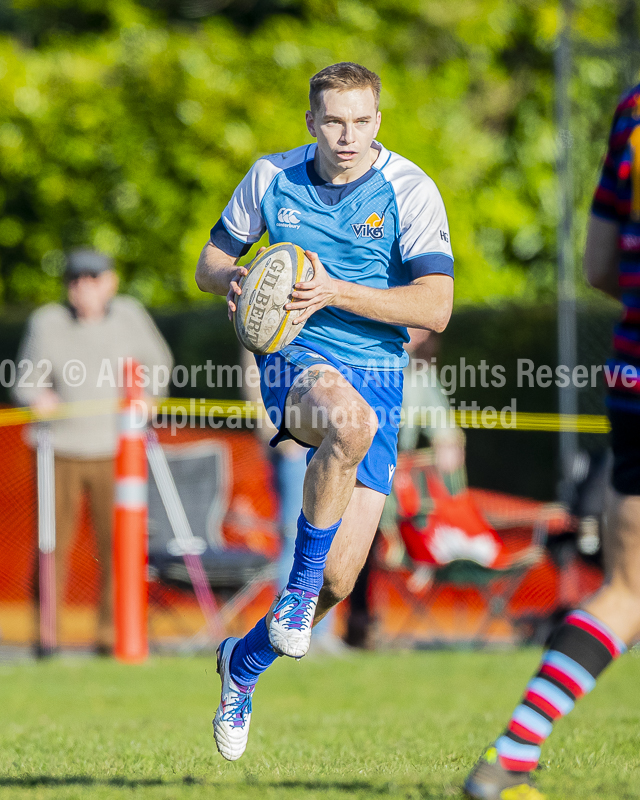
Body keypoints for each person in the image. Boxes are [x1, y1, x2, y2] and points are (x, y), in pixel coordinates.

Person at [195, 61, 454, 761]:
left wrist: (335, 289)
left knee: (337, 583)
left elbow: (435, 306)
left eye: (362, 121)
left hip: (381, 375)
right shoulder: (270, 178)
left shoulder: (409, 189)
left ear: (378, 121)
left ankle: (242, 664)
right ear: (312, 121)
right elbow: (210, 261)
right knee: (347, 420)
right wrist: (238, 276)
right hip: (296, 360)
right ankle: (291, 602)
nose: (348, 136)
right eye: (334, 121)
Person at [463, 85, 640, 800]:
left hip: (633, 374)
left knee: (629, 588)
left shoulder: (631, 108)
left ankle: (510, 756)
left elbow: (600, 265)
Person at [14, 248, 173, 655]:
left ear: (110, 282)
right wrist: (38, 395)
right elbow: (24, 381)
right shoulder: (47, 322)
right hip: (59, 449)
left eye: (92, 278)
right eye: (76, 280)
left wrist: (147, 399)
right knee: (52, 545)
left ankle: (110, 634)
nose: (83, 288)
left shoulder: (129, 316)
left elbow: (159, 364)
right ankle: (46, 636)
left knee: (118, 545)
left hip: (115, 451)